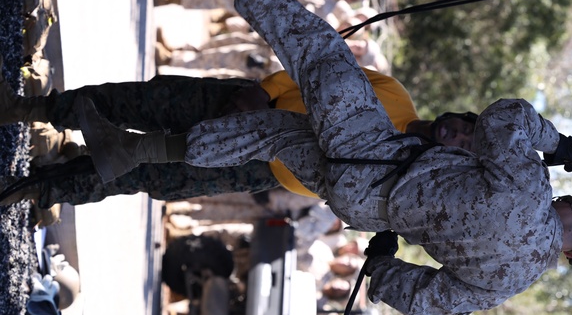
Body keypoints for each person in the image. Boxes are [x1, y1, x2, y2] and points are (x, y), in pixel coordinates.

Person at [76, 0, 572, 315]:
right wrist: (383, 263)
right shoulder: (505, 283)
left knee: (318, 54)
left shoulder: (530, 189)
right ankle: (128, 151)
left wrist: (560, 146)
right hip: (362, 204)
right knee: (269, 134)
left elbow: (505, 119)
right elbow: (421, 299)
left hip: (373, 153)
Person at [0, 57, 478, 208]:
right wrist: (263, 93)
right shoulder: (393, 91)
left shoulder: (406, 175)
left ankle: (28, 190)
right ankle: (27, 108)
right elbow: (321, 66)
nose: (454, 135)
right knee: (138, 101)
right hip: (247, 104)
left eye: (463, 146)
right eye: (465, 128)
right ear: (459, 115)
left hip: (256, 165)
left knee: (140, 174)